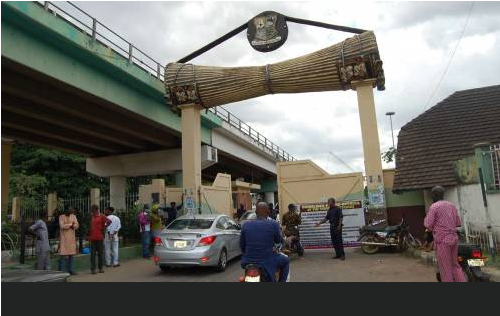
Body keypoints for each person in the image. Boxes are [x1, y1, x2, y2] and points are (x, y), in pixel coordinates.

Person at [424, 186, 466, 282]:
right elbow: (458, 223)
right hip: (454, 239)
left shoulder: (434, 207)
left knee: (445, 269)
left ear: (434, 195)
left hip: (442, 241)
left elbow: (428, 224)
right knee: (455, 265)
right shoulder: (451, 205)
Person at [240, 202, 290, 282]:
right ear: (269, 212)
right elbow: (278, 240)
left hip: (248, 261)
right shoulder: (273, 224)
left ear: (256, 213)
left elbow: (242, 246)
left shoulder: (245, 225)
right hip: (267, 261)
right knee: (286, 261)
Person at [88, 205, 111, 274]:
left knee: (100, 254)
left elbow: (109, 221)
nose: (92, 211)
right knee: (92, 255)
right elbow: (89, 226)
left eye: (93, 210)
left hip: (100, 238)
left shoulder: (101, 216)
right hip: (92, 238)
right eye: (92, 210)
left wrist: (104, 227)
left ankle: (100, 268)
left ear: (96, 210)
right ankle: (93, 269)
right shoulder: (91, 217)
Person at [58, 207, 79, 275]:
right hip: (64, 238)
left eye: (71, 210)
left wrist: (74, 226)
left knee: (71, 255)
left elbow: (77, 225)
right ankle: (62, 271)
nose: (71, 211)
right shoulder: (61, 216)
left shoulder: (73, 216)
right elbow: (62, 226)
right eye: (69, 210)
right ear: (66, 210)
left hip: (71, 238)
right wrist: (71, 225)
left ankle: (71, 270)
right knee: (63, 255)